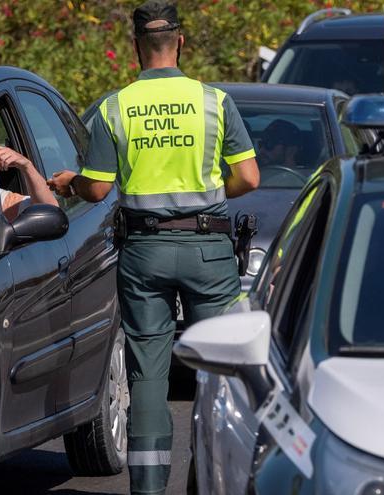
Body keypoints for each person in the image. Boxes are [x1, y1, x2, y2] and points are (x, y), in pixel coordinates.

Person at [46, 2, 259, 493]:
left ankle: (147, 487)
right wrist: (205, 195)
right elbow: (249, 177)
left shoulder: (114, 107)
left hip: (144, 250)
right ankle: (215, 478)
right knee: (222, 373)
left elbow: (97, 190)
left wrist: (68, 182)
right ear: (180, 42)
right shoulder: (215, 101)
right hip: (208, 250)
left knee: (147, 377)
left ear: (135, 46)